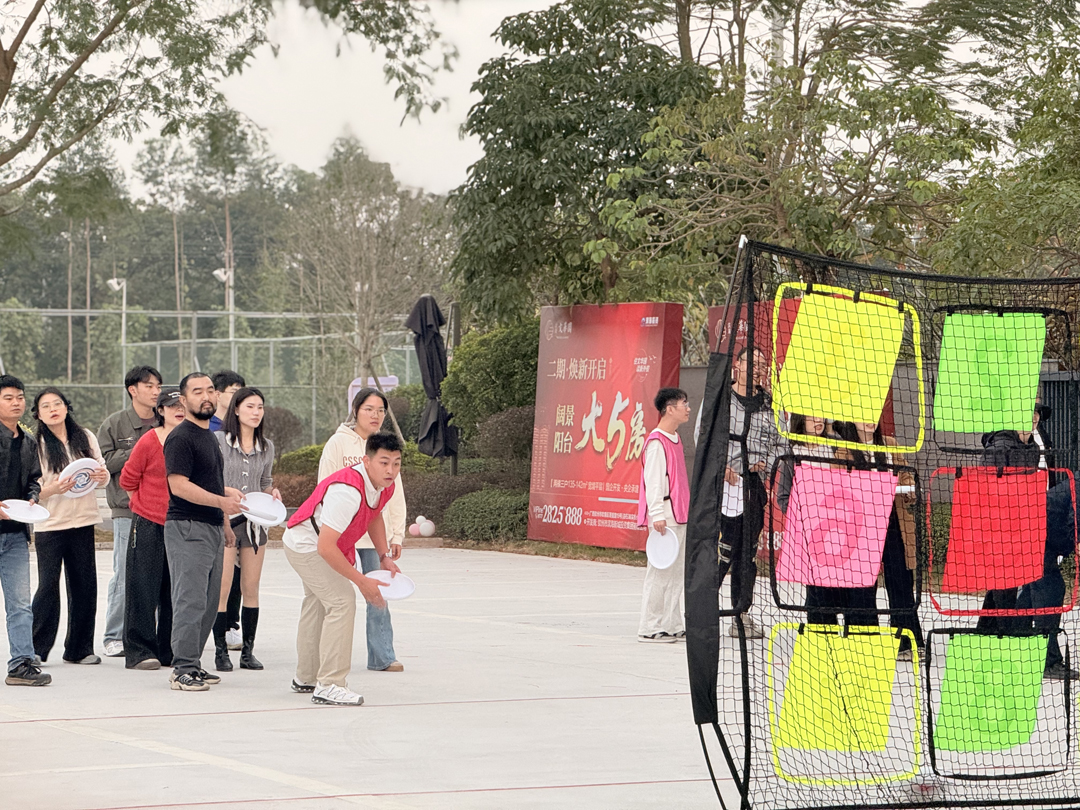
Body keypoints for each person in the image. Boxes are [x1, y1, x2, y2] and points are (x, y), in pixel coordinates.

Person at [282, 432, 403, 706]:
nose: (391, 470)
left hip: (315, 543)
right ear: (367, 461)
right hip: (306, 545)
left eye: (396, 463)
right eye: (384, 462)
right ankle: (330, 684)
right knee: (342, 601)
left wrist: (383, 556)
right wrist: (361, 581)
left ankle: (306, 677)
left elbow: (374, 515)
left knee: (317, 603)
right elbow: (325, 548)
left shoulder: (384, 485)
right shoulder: (347, 491)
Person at [164, 373, 243, 691]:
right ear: (183, 400)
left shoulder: (209, 436)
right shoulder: (181, 437)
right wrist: (222, 502)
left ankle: (193, 664)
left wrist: (224, 521)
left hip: (211, 527)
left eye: (210, 390)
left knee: (209, 602)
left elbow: (208, 483)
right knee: (190, 600)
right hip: (187, 527)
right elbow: (179, 486)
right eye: (197, 391)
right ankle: (182, 668)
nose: (206, 396)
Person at [317, 388, 407, 672]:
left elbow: (395, 494)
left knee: (378, 594)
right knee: (331, 598)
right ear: (355, 410)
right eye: (369, 409)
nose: (375, 415)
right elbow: (324, 486)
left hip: (372, 537)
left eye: (380, 410)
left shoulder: (386, 446)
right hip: (340, 534)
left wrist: (396, 534)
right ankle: (323, 658)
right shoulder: (338, 443)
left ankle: (382, 656)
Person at [30, 388, 110, 665]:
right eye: (46, 406)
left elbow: (102, 473)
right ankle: (36, 649)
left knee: (84, 585)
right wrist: (53, 489)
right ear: (38, 415)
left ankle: (80, 649)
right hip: (50, 524)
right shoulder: (36, 444)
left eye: (58, 403)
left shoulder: (85, 436)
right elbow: (32, 489)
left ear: (66, 407)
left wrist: (102, 475)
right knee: (47, 587)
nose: (53, 409)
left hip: (84, 521)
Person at [776, 415, 879, 628]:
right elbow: (783, 498)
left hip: (843, 534)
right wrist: (805, 515)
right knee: (819, 596)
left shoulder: (836, 447)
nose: (818, 421)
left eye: (820, 416)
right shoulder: (792, 455)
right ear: (800, 421)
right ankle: (822, 638)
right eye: (811, 417)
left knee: (852, 592)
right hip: (813, 538)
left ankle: (855, 637)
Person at [834, 420, 922, 655]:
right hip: (861, 524)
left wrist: (909, 488)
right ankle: (863, 640)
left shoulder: (889, 444)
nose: (869, 422)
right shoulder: (844, 450)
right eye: (864, 416)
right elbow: (839, 485)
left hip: (892, 519)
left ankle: (906, 640)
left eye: (873, 416)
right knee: (862, 585)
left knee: (901, 580)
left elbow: (906, 475)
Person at [212, 387, 280, 672]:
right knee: (223, 587)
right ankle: (220, 651)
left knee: (251, 587)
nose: (256, 412)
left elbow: (265, 482)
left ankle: (248, 652)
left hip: (255, 524)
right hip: (226, 520)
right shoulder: (218, 441)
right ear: (236, 410)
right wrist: (225, 493)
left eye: (260, 407)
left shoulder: (267, 446)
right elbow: (210, 479)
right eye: (250, 406)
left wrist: (271, 492)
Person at [720, 346, 784, 639]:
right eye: (752, 363)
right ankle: (701, 609)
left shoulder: (768, 404)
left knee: (747, 553)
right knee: (723, 550)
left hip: (753, 485)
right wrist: (723, 467)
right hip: (724, 484)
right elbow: (704, 435)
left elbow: (781, 443)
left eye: (762, 364)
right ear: (738, 364)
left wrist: (764, 466)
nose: (757, 369)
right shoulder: (722, 399)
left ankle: (740, 614)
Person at [99, 365, 163, 657]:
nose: (155, 391)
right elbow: (104, 463)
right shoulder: (115, 424)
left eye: (158, 386)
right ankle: (114, 635)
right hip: (127, 511)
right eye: (149, 386)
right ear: (132, 390)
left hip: (161, 512)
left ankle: (152, 635)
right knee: (124, 574)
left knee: (158, 576)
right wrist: (141, 448)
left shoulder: (166, 421)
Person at [119, 388, 185, 670]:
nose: (178, 410)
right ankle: (139, 651)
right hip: (148, 523)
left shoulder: (190, 439)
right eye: (172, 406)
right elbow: (127, 480)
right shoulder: (148, 440)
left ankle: (169, 650)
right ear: (160, 411)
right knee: (143, 588)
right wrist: (142, 505)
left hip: (180, 523)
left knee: (175, 590)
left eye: (183, 405)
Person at [0, 376, 50, 686]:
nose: (16, 402)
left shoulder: (29, 441)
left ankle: (21, 664)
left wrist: (33, 495)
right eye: (8, 398)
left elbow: (34, 478)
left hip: (16, 535)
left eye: (19, 397)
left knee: (20, 603)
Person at [636, 387, 691, 643]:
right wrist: (657, 514)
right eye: (683, 404)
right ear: (669, 409)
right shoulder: (656, 442)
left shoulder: (675, 438)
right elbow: (654, 482)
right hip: (665, 518)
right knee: (660, 571)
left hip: (679, 514)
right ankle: (649, 626)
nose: (688, 408)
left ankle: (671, 622)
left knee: (676, 572)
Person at [209, 369, 246, 652]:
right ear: (218, 394)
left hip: (240, 511)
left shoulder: (244, 427)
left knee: (236, 572)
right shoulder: (207, 426)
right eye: (234, 392)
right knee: (213, 573)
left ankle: (231, 624)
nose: (239, 398)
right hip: (211, 506)